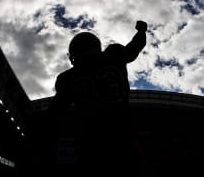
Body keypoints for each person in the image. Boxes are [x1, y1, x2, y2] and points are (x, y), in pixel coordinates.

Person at [50, 20, 148, 175]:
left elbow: (55, 112)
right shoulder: (114, 55)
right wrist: (141, 32)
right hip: (123, 136)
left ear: (74, 53)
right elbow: (134, 48)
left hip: (90, 142)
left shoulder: (67, 78)